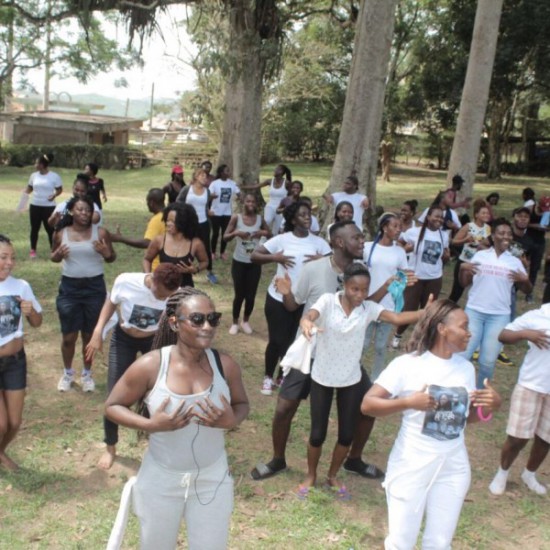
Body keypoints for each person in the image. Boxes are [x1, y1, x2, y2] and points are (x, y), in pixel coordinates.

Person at [105, 288, 249, 549]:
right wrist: (150, 425)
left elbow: (242, 404)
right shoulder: (151, 365)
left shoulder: (225, 365)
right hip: (161, 479)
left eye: (212, 319)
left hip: (212, 478)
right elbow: (113, 405)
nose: (207, 326)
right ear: (174, 323)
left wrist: (232, 420)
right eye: (197, 319)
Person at [361, 299, 501, 550]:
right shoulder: (408, 364)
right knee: (401, 543)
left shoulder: (466, 368)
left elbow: (463, 419)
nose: (470, 333)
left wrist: (490, 407)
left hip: (453, 466)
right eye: (464, 326)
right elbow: (367, 404)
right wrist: (408, 402)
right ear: (442, 329)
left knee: (439, 543)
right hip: (412, 463)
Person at [250, 221, 383, 481]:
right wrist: (287, 292)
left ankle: (353, 460)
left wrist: (389, 285)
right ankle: (277, 459)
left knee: (369, 406)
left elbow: (365, 306)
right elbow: (293, 306)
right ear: (340, 242)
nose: (362, 241)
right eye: (356, 237)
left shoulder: (361, 271)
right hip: (311, 353)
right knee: (283, 408)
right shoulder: (313, 269)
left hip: (344, 357)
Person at [296, 263, 429, 499]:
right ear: (344, 286)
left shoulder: (368, 309)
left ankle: (333, 475)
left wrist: (423, 313)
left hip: (350, 379)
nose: (359, 295)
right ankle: (311, 475)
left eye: (364, 290)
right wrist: (306, 322)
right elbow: (311, 315)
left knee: (346, 434)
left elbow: (397, 317)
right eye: (354, 289)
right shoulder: (328, 301)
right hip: (322, 377)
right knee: (317, 434)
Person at [85, 263, 181, 470]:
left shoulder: (176, 294)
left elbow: (174, 319)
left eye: (168, 296)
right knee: (114, 396)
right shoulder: (126, 281)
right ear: (153, 281)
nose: (164, 299)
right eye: (161, 295)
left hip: (154, 341)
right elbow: (110, 304)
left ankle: (154, 442)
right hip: (123, 339)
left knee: (159, 393)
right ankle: (110, 447)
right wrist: (97, 331)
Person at [251, 200, 331, 395]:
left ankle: (282, 374)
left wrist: (322, 260)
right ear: (293, 220)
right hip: (278, 298)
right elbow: (255, 255)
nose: (307, 218)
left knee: (293, 341)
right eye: (302, 215)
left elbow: (336, 265)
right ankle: (268, 377)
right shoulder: (282, 239)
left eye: (308, 215)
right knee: (276, 340)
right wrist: (274, 258)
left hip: (305, 302)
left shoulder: (319, 243)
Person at [51, 196, 116, 393]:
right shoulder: (61, 233)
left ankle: (87, 374)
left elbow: (112, 257)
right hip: (70, 289)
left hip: (94, 288)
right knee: (69, 336)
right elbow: (53, 256)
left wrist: (106, 253)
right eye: (80, 210)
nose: (84, 213)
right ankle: (68, 372)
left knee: (89, 335)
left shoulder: (101, 232)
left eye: (88, 210)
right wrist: (58, 255)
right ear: (71, 211)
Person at [459, 218, 532, 388]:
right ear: (493, 236)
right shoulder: (480, 256)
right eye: (501, 233)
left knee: (487, 362)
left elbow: (528, 290)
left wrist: (525, 279)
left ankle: (480, 395)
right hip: (474, 312)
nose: (506, 236)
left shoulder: (514, 262)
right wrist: (463, 270)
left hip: (499, 316)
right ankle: (460, 390)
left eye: (509, 233)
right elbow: (463, 283)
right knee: (464, 354)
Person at [489, 304, 550, 496]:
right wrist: (526, 334)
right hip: (531, 385)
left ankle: (529, 474)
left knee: (546, 437)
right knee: (517, 437)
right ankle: (502, 473)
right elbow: (503, 335)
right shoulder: (538, 316)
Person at [0, 234, 43, 470]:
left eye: (12, 258)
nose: (9, 263)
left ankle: (0, 451)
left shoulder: (20, 286)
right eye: (3, 257)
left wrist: (30, 312)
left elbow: (37, 322)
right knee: (1, 424)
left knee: (14, 422)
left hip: (16, 361)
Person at [392, 205, 450, 349]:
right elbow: (399, 241)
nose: (439, 219)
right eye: (436, 216)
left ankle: (420, 340)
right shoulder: (413, 232)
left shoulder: (444, 235)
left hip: (434, 278)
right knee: (409, 308)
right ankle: (397, 336)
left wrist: (447, 256)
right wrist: (404, 251)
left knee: (429, 311)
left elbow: (445, 254)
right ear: (428, 217)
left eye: (442, 217)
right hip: (415, 277)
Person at [363, 213, 411, 380]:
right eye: (395, 226)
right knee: (363, 343)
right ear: (384, 228)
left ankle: (376, 378)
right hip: (368, 303)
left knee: (381, 347)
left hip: (388, 305)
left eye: (400, 227)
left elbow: (403, 277)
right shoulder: (368, 247)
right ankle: (355, 375)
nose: (399, 230)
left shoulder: (399, 252)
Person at [223, 193, 270, 335]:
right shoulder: (236, 218)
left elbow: (271, 234)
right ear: (243, 202)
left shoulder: (260, 219)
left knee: (251, 295)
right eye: (248, 201)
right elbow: (225, 237)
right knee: (239, 295)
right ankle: (235, 323)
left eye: (253, 202)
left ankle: (245, 321)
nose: (250, 204)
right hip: (239, 262)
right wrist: (236, 233)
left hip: (254, 263)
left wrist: (263, 232)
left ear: (256, 204)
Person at [144, 203, 208, 288]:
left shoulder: (196, 243)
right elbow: (147, 259)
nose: (168, 224)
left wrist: (195, 269)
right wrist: (148, 275)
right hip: (162, 288)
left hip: (185, 289)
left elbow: (205, 262)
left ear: (183, 222)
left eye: (172, 221)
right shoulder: (159, 240)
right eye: (167, 220)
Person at [176, 168, 218, 284]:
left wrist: (208, 212)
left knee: (206, 248)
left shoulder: (207, 191)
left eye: (206, 176)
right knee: (187, 247)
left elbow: (205, 205)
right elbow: (178, 204)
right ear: (196, 177)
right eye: (202, 175)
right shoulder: (186, 189)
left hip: (203, 224)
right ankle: (184, 270)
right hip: (189, 224)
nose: (205, 178)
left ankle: (209, 272)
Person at [110, 188, 166, 270]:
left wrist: (121, 238)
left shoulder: (157, 220)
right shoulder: (169, 215)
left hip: (157, 267)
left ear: (151, 203)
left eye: (147, 201)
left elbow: (147, 243)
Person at [448, 199, 492, 304]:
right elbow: (453, 241)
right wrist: (465, 240)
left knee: (477, 291)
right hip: (465, 262)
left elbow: (490, 246)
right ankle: (445, 311)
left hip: (480, 264)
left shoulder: (488, 228)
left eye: (488, 213)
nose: (487, 215)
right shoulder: (469, 226)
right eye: (483, 213)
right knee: (456, 293)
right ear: (476, 215)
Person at [25, 152, 63, 258]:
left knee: (50, 229)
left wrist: (54, 195)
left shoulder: (54, 176)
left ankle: (53, 249)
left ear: (42, 165)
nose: (35, 165)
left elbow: (59, 189)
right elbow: (30, 188)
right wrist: (24, 196)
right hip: (35, 206)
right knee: (34, 228)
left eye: (36, 163)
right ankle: (33, 250)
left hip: (49, 207)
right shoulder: (33, 176)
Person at [241, 164, 292, 234]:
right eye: (275, 169)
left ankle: (273, 241)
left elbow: (290, 196)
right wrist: (243, 187)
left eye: (277, 169)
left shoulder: (286, 183)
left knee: (277, 228)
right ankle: (261, 237)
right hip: (270, 206)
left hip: (280, 208)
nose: (275, 170)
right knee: (267, 221)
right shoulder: (270, 181)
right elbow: (256, 186)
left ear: (282, 172)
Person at [209, 164, 240, 260]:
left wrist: (241, 198)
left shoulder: (232, 183)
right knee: (215, 233)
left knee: (225, 234)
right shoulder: (215, 183)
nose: (229, 172)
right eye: (227, 171)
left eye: (229, 170)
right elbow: (209, 195)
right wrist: (212, 196)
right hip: (215, 213)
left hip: (227, 213)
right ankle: (213, 252)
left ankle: (222, 252)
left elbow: (239, 193)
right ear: (221, 173)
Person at [524, 187, 548, 303]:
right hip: (527, 239)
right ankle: (515, 287)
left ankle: (529, 293)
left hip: (539, 242)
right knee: (521, 264)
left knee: (534, 269)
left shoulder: (548, 212)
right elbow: (521, 223)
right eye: (542, 208)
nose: (544, 211)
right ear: (538, 203)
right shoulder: (529, 209)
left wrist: (546, 228)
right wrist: (536, 226)